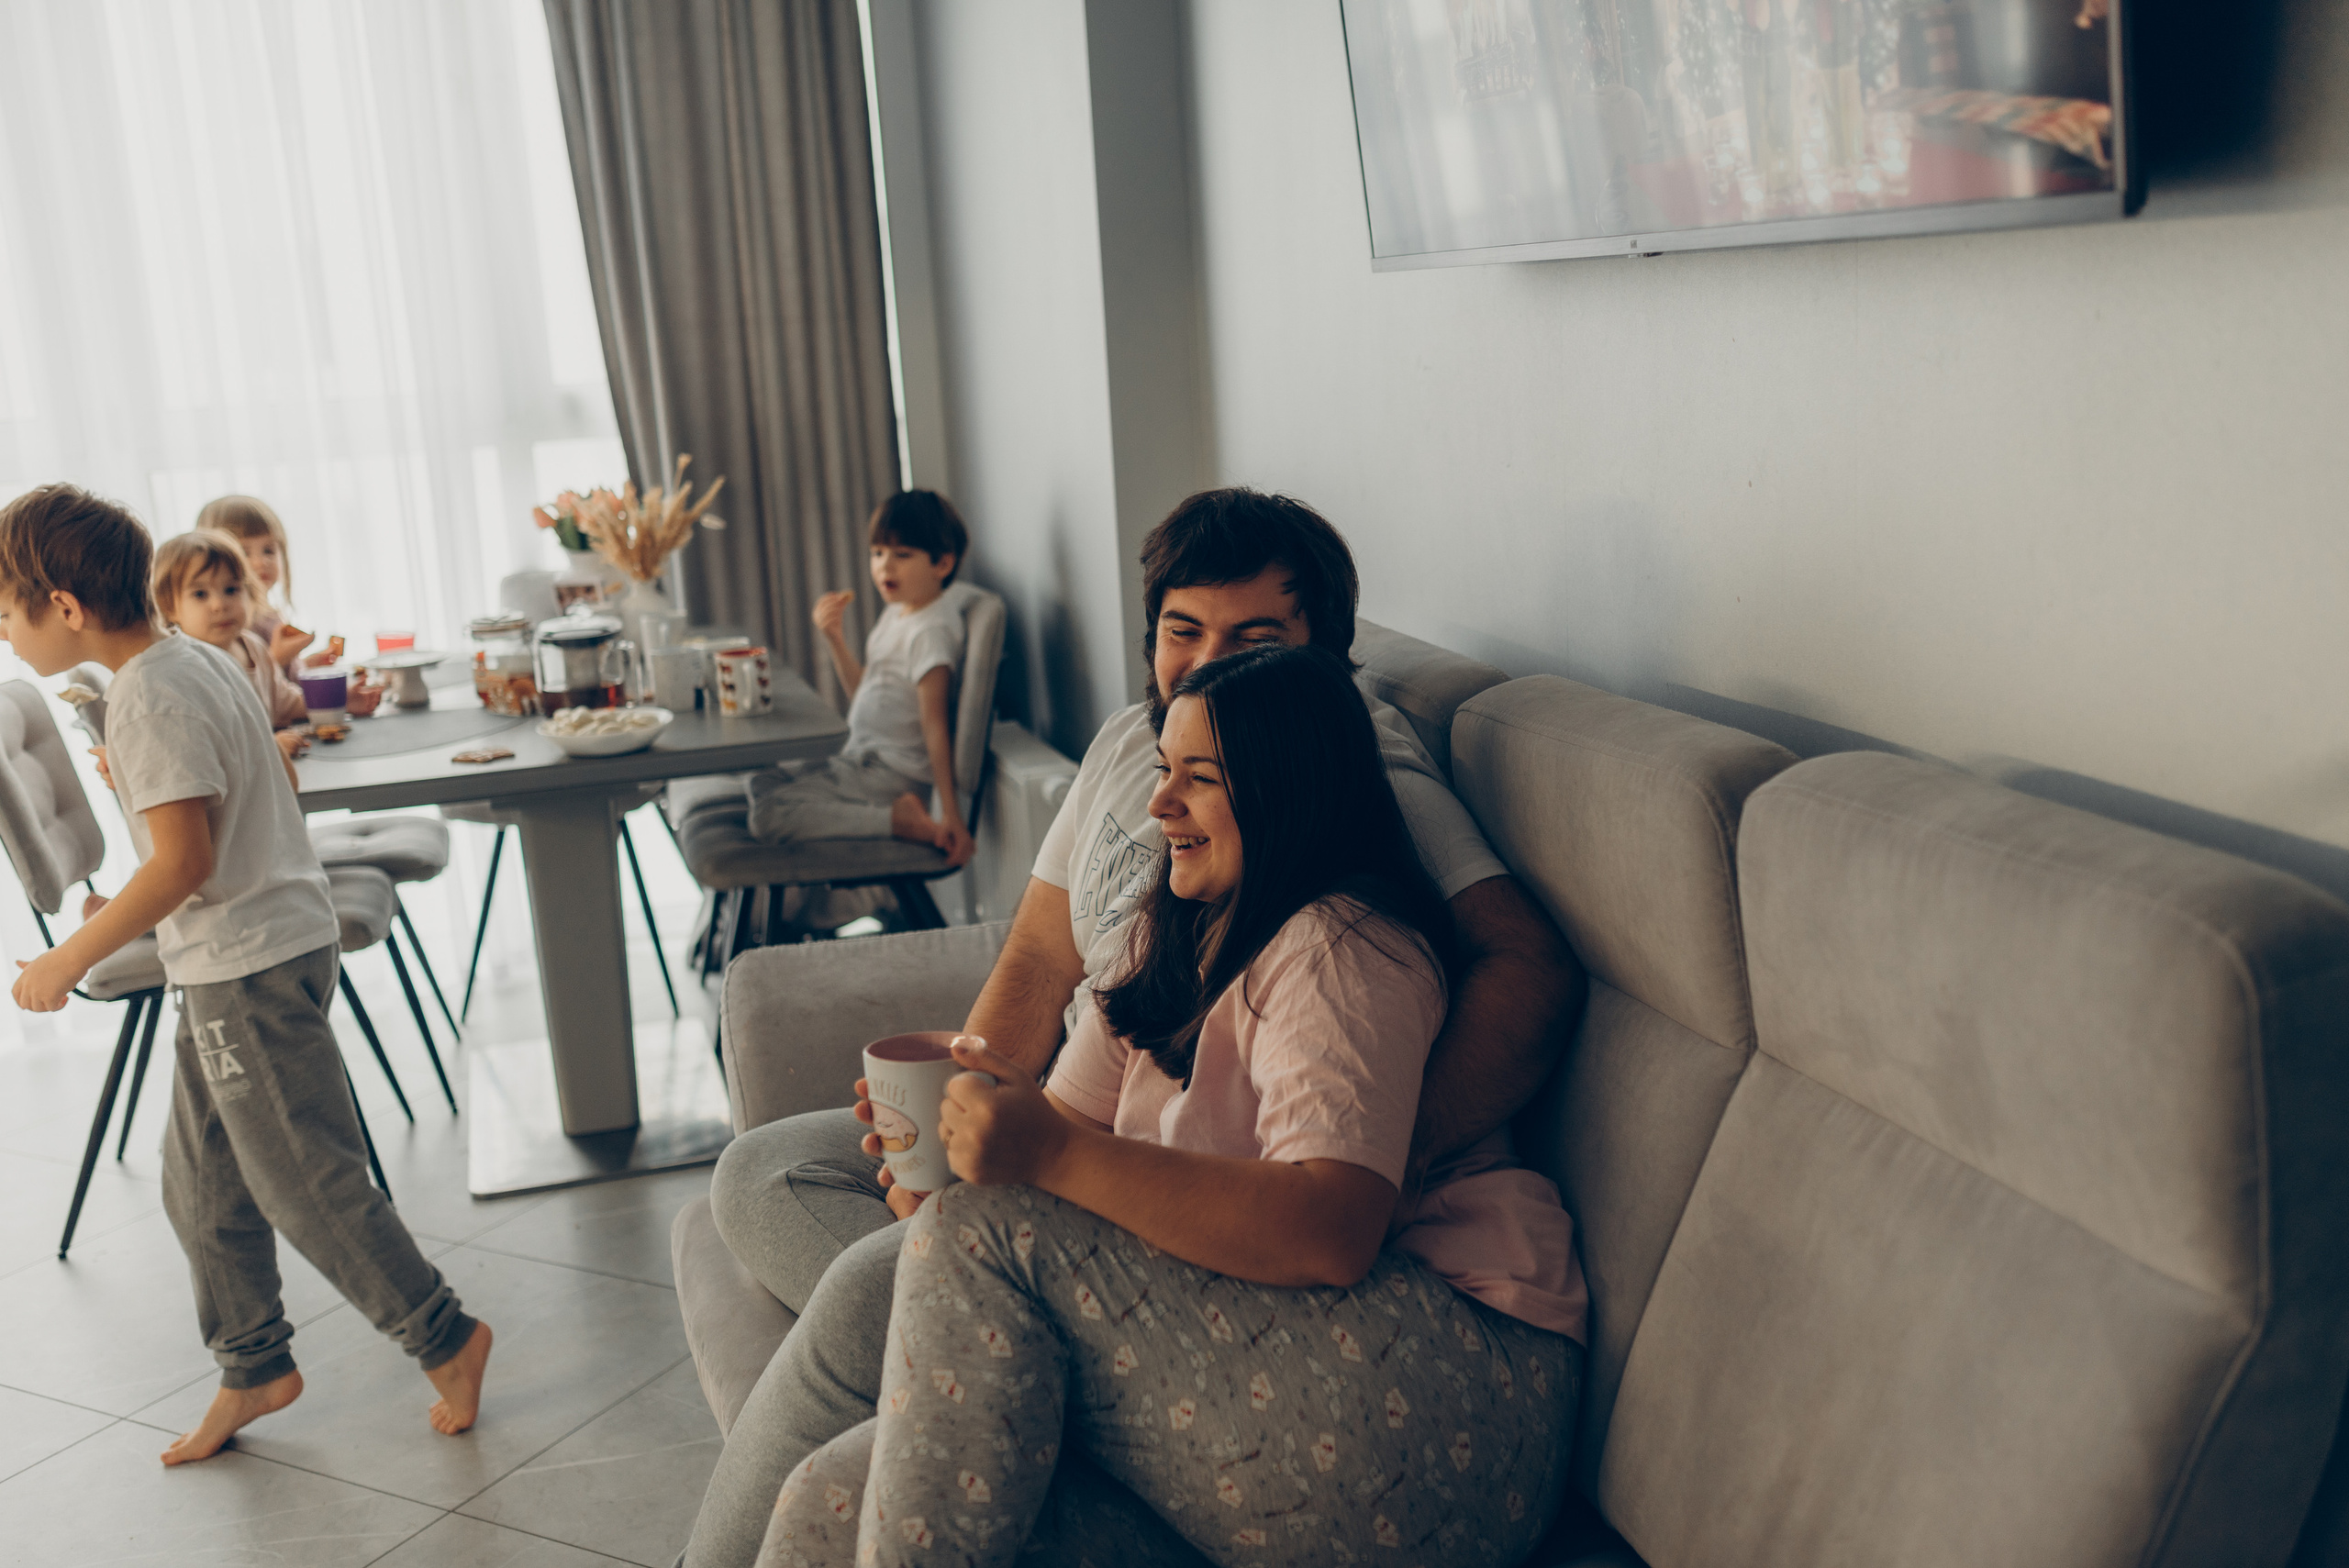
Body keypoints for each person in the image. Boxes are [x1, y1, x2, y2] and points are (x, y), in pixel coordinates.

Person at [679, 489, 1582, 1567]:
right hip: (1202, 1304)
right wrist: (964, 1142)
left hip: (1420, 1373)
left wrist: (1061, 1168)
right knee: (838, 1481)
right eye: (1182, 636)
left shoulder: (1346, 906)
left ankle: (1002, 1331)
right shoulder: (1169, 903)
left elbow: (1334, 1217)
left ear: (1311, 683)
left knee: (969, 1247)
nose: (1163, 801)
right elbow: (1039, 997)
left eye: (1251, 643)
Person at [0, 483, 492, 1465]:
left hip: (246, 970)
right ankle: (253, 1364)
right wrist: (128, 877)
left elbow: (184, 862)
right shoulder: (192, 661)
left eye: (5, 611)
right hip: (257, 947)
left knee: (305, 1181)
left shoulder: (149, 693)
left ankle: (444, 1332)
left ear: (62, 606)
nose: (3, 633)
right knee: (201, 1181)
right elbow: (236, 804)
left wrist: (68, 957)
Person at [743, 490, 976, 873]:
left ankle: (895, 820)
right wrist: (835, 638)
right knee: (759, 773)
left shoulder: (931, 631)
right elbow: (867, 694)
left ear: (943, 563)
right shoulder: (900, 613)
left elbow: (935, 724)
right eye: (877, 553)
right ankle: (875, 816)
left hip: (888, 773)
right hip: (859, 757)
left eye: (902, 556)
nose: (885, 567)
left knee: (765, 817)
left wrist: (949, 812)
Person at [152, 529, 309, 761]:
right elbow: (206, 747)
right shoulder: (182, 668)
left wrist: (343, 699)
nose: (219, 604)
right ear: (170, 607)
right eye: (200, 594)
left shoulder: (251, 646)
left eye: (231, 590)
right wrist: (270, 748)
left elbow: (285, 702)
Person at [197, 494, 313, 675]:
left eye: (269, 550)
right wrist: (277, 659)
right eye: (245, 552)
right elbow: (248, 687)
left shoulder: (269, 615)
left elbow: (285, 686)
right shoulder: (232, 622)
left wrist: (307, 665)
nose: (261, 562)